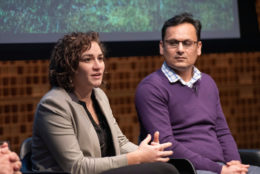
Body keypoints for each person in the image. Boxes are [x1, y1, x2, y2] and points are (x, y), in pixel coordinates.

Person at [31, 32, 178, 174]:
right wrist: (136, 157)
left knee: (168, 167)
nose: (98, 66)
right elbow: (77, 167)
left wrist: (148, 153)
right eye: (87, 59)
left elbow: (120, 143)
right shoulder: (53, 105)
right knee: (165, 171)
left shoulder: (99, 95)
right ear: (69, 66)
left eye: (100, 58)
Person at [135, 13, 260, 174]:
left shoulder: (208, 83)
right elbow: (166, 144)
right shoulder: (150, 88)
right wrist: (219, 169)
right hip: (185, 169)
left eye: (187, 43)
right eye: (173, 43)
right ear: (162, 47)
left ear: (198, 47)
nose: (180, 49)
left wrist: (234, 164)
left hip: (220, 166)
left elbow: (222, 132)